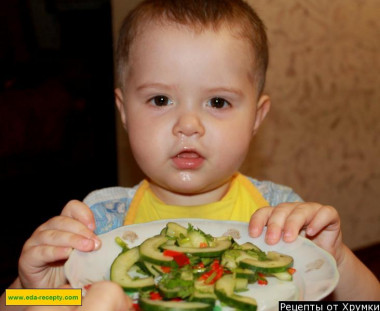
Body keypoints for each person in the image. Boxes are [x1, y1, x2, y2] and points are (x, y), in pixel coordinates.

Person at [2, 0, 379, 309]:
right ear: (124, 113)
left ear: (256, 118)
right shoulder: (97, 223)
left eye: (217, 101)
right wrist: (34, 287)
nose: (188, 124)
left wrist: (338, 259)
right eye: (160, 99)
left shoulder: (281, 220)